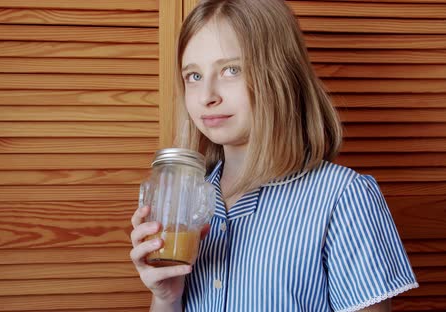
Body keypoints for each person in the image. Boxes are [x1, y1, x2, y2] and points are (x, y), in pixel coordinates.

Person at [129, 0, 418, 311]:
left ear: (280, 74)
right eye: (194, 76)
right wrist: (166, 298)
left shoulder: (343, 197)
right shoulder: (184, 203)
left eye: (231, 70)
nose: (207, 96)